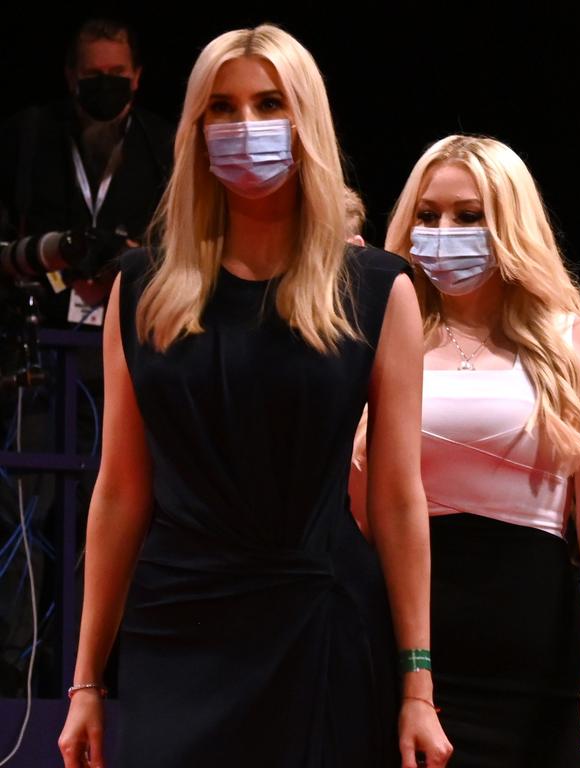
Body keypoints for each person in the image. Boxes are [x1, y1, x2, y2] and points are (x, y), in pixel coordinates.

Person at [56, 24, 450, 768]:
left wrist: (417, 687)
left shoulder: (375, 287)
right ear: (195, 129)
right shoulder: (142, 288)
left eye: (270, 103)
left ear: (307, 121)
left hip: (320, 626)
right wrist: (83, 683)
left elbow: (399, 499)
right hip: (174, 632)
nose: (247, 127)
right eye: (223, 108)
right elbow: (119, 493)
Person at [380, 134, 580, 766]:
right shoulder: (380, 332)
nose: (445, 231)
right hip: (401, 650)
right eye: (428, 215)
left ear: (511, 224)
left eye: (469, 216)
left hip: (535, 655)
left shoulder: (579, 343)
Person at [0, 18, 173, 323]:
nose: (106, 84)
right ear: (71, 78)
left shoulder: (165, 146)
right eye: (93, 74)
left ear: (136, 77)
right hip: (40, 328)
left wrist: (129, 256)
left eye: (117, 73)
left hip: (138, 330)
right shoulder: (28, 135)